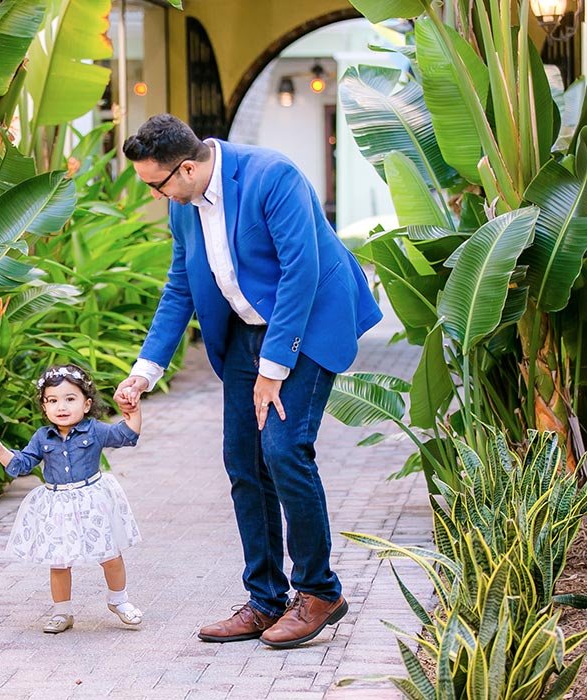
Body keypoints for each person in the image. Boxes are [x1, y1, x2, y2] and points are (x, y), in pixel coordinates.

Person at [114, 114, 382, 649]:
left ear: (186, 168)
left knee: (284, 451)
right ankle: (265, 599)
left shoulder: (271, 176)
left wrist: (273, 371)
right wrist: (145, 370)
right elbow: (179, 288)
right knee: (243, 461)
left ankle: (319, 591)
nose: (154, 194)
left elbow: (300, 273)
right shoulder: (184, 207)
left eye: (155, 184)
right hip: (245, 332)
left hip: (305, 321)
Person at [0, 364, 144, 635]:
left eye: (70, 399)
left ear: (87, 403)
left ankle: (119, 600)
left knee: (110, 554)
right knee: (59, 561)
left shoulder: (94, 431)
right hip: (58, 505)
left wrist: (133, 412)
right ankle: (62, 611)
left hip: (92, 501)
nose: (61, 407)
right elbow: (21, 464)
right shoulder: (42, 437)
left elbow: (125, 435)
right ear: (44, 407)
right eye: (52, 401)